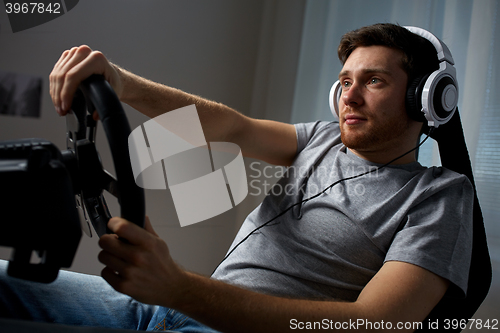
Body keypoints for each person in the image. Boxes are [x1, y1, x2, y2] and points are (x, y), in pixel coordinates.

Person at [0, 23, 473, 332]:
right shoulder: (323, 138)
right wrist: (121, 83)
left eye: (373, 81)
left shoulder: (439, 197)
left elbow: (375, 323)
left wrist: (180, 287)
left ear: (423, 99)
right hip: (168, 307)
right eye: (345, 81)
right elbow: (230, 126)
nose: (349, 97)